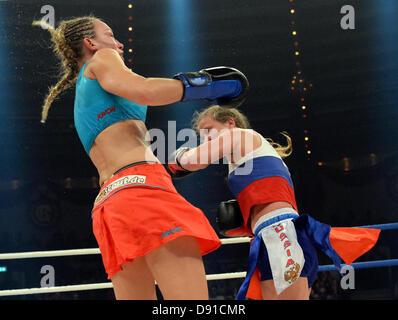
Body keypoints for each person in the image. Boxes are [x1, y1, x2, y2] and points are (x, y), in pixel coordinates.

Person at [31, 15, 249, 300]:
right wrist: (203, 85)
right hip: (142, 188)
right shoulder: (102, 59)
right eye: (109, 35)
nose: (118, 43)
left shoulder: (84, 96)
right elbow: (145, 90)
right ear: (90, 43)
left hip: (110, 202)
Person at [168, 104, 381, 300]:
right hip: (269, 235)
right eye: (201, 135)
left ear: (230, 123)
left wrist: (177, 158)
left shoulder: (240, 135)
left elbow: (195, 160)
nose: (205, 138)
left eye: (208, 130)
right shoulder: (242, 157)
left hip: (281, 233)